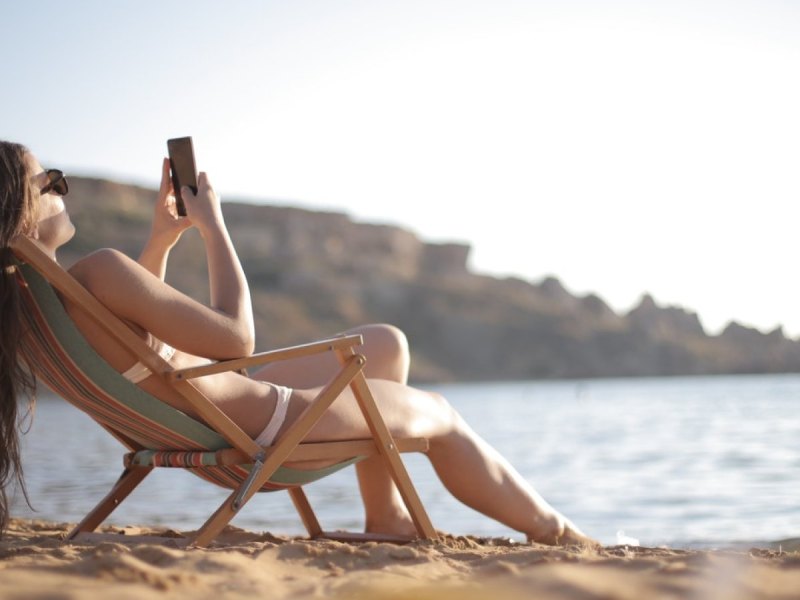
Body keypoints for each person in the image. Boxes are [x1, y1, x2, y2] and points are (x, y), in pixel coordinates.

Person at [0, 140, 597, 546]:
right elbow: (236, 342)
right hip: (264, 429)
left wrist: (160, 241)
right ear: (18, 210)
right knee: (440, 417)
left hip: (214, 415)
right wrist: (214, 228)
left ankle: (386, 517)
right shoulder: (97, 271)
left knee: (383, 345)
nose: (61, 188)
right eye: (48, 182)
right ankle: (558, 532)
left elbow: (134, 348)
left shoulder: (30, 311)